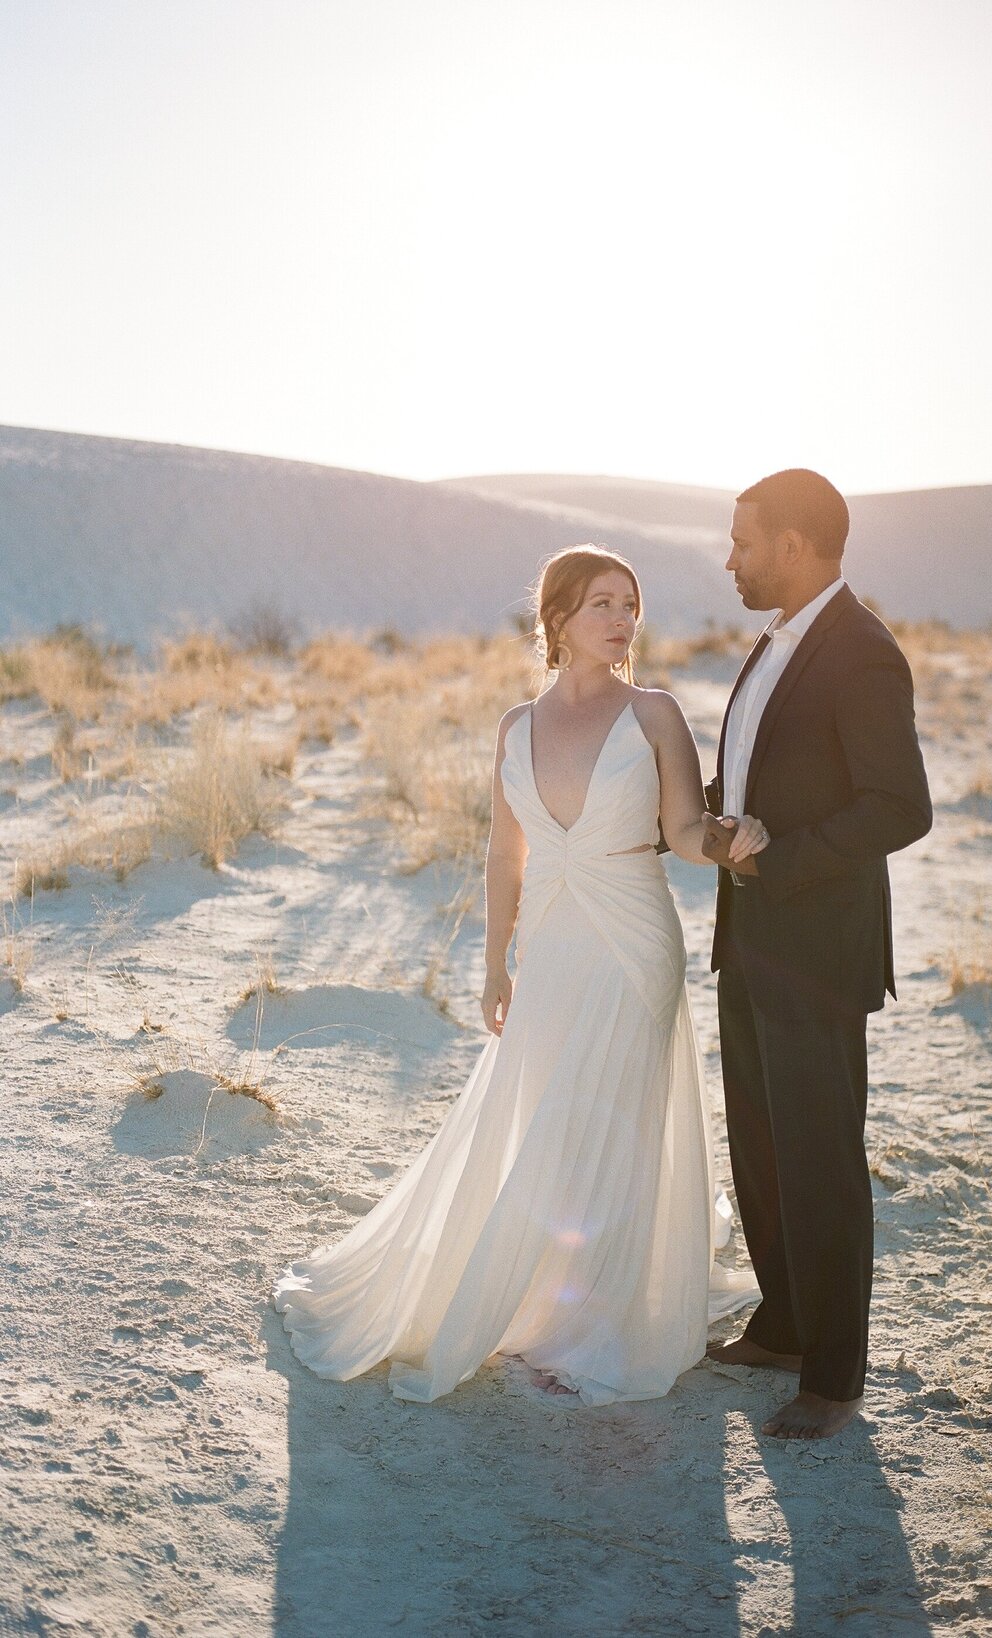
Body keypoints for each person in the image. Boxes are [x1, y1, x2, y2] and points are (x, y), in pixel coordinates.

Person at [273, 545, 761, 1406]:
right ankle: (544, 1295)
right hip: (549, 942)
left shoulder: (654, 714)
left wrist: (731, 841)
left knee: (611, 1117)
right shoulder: (515, 725)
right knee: (543, 1109)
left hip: (631, 938)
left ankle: (598, 1321)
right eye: (603, 603)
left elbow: (683, 832)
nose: (622, 620)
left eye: (630, 605)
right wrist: (495, 959)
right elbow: (506, 851)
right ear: (559, 619)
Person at [701, 469, 932, 1441]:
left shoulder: (862, 653)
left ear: (793, 544)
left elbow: (900, 806)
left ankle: (833, 1377)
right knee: (761, 1146)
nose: (731, 556)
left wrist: (783, 862)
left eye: (744, 540)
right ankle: (787, 1324)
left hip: (819, 948)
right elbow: (758, 769)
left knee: (820, 1159)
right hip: (750, 938)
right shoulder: (775, 641)